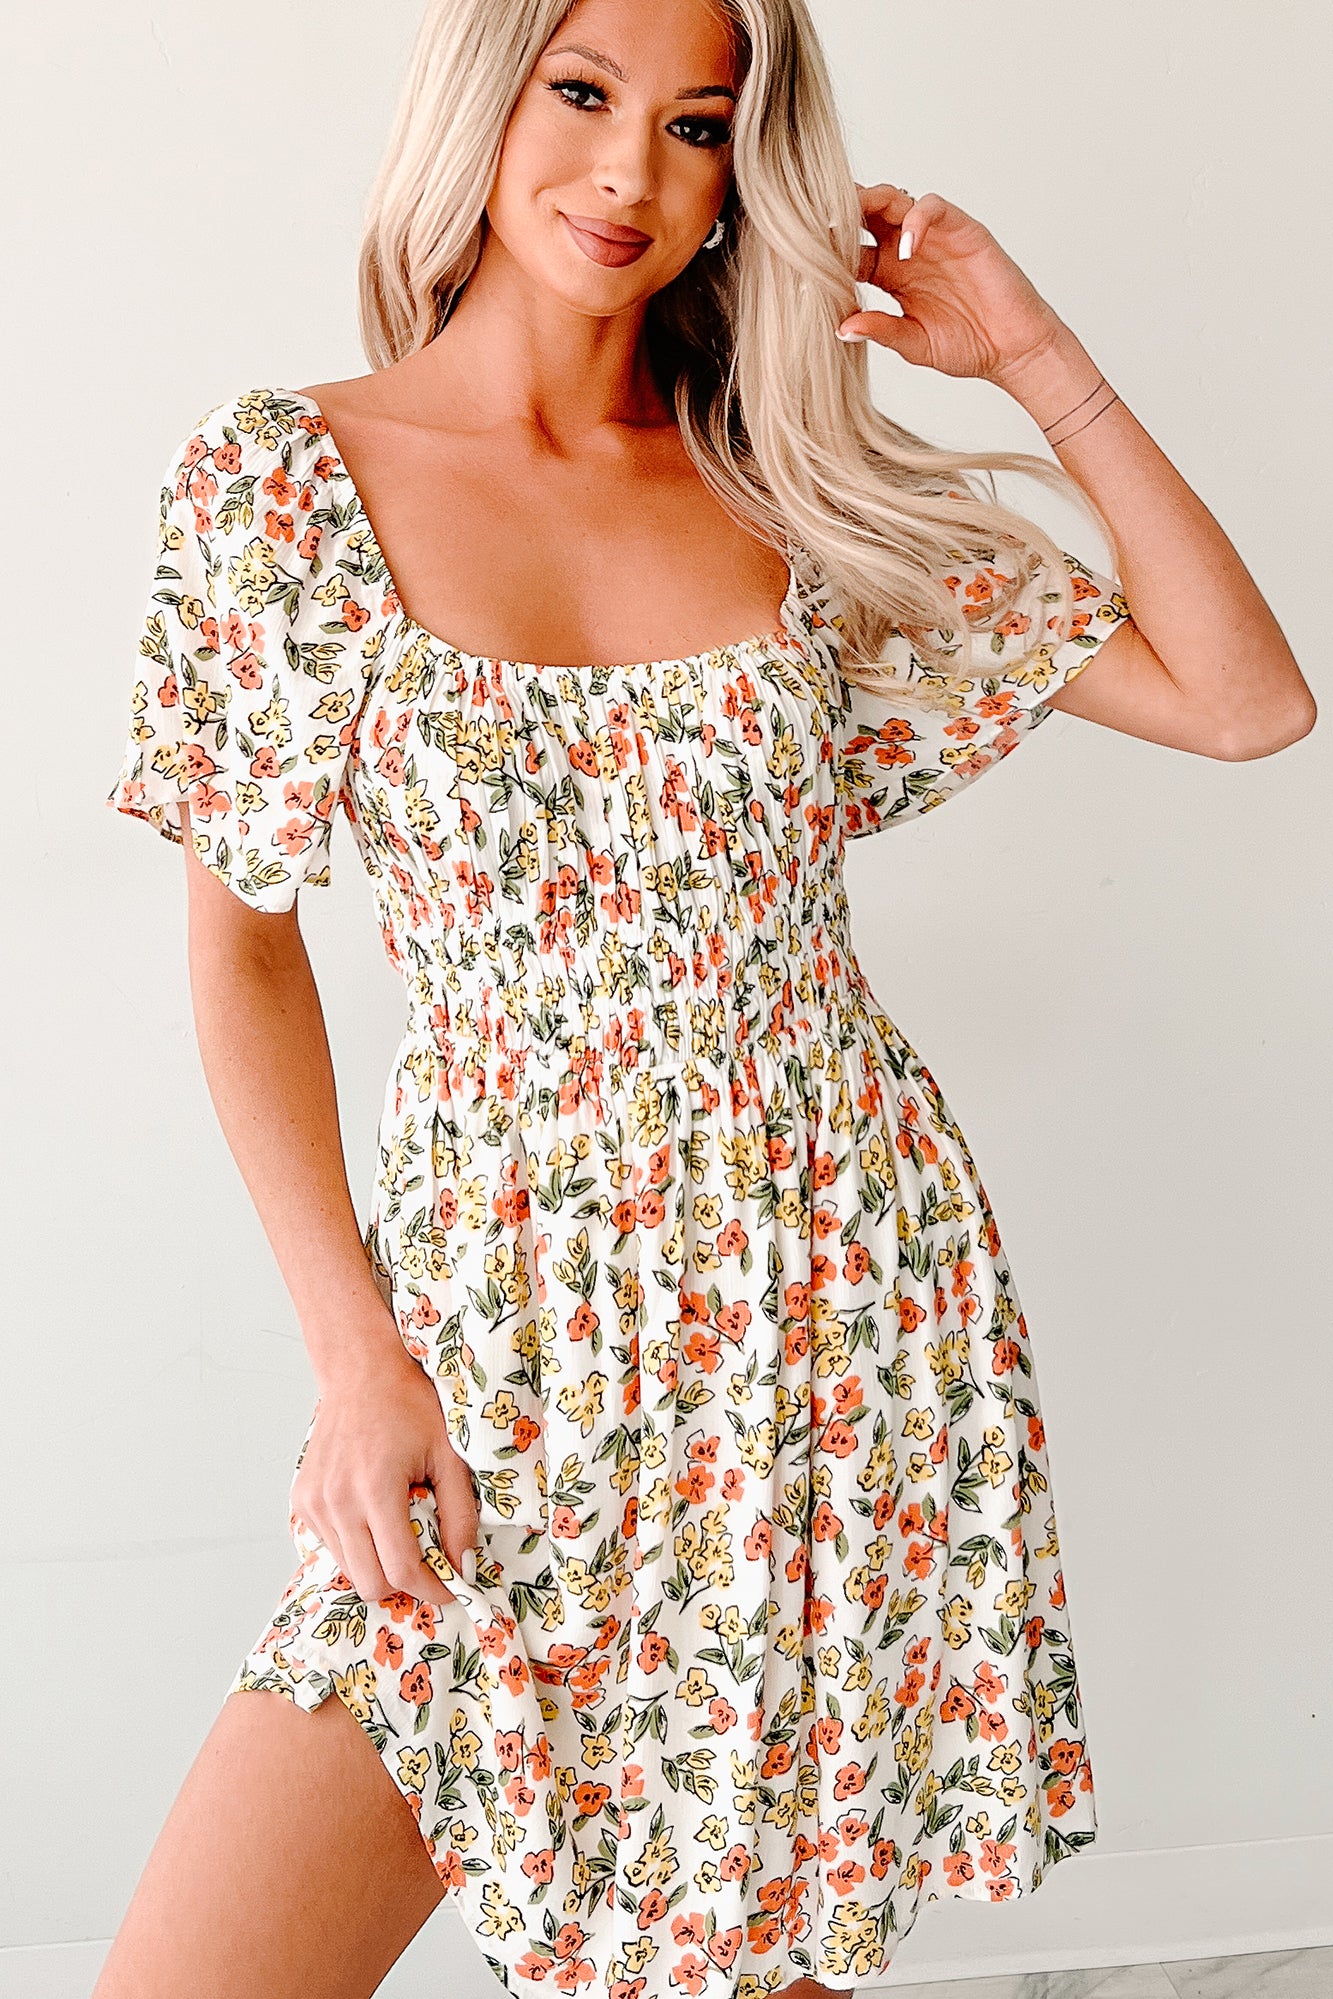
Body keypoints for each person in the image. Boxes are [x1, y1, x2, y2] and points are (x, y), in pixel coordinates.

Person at [96, 1, 1314, 1995]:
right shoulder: (286, 483)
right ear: (483, 102)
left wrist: (1031, 355)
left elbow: (1244, 701)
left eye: (696, 125)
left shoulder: (790, 489)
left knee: (743, 1954)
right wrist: (354, 1360)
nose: (629, 174)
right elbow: (241, 946)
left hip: (828, 1322)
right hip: (498, 1333)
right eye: (583, 96)